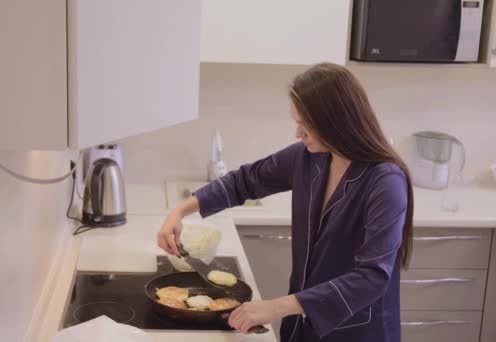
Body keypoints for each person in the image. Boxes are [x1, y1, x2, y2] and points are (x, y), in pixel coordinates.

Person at [157, 62, 413, 342]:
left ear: (338, 123)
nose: (298, 134)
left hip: (359, 331)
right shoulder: (308, 158)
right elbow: (245, 180)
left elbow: (372, 277)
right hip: (305, 325)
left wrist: (275, 307)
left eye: (307, 126)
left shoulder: (385, 182)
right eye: (297, 123)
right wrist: (181, 211)